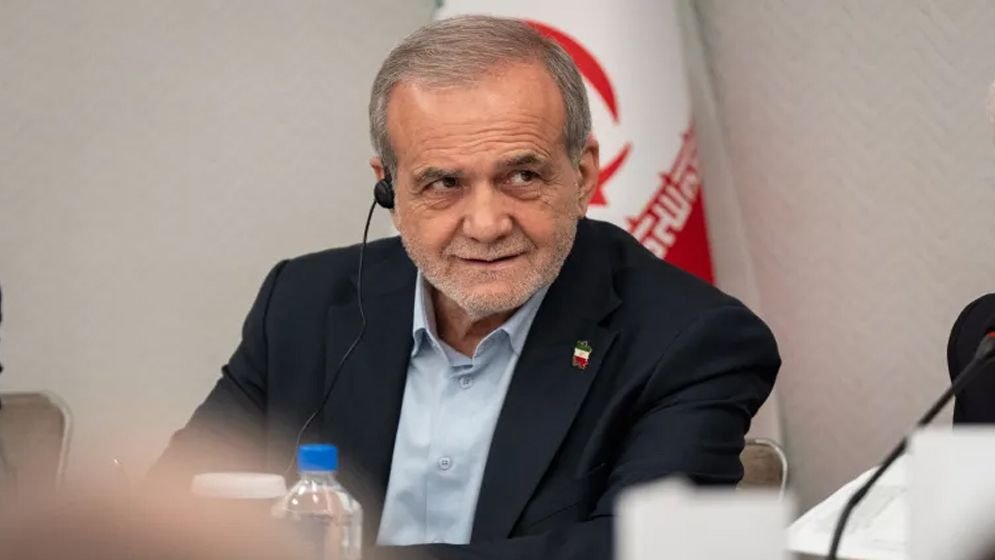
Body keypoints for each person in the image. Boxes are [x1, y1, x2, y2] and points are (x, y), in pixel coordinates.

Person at [152, 15, 780, 560]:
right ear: (389, 187)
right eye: (443, 183)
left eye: (522, 176)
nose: (486, 224)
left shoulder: (694, 340)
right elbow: (176, 508)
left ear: (584, 174)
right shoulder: (304, 302)